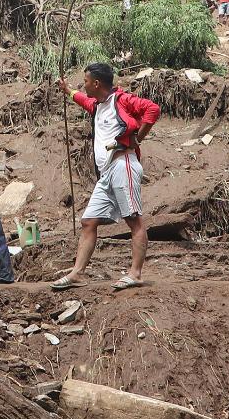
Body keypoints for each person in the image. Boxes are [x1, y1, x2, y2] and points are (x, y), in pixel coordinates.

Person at [52, 62, 160, 291]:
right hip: (107, 172)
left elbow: (152, 109)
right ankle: (77, 273)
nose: (85, 85)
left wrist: (138, 138)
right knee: (89, 221)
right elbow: (82, 99)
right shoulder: (98, 105)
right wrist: (68, 90)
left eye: (86, 81)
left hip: (123, 165)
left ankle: (136, 273)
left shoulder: (121, 100)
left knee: (133, 219)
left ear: (97, 83)